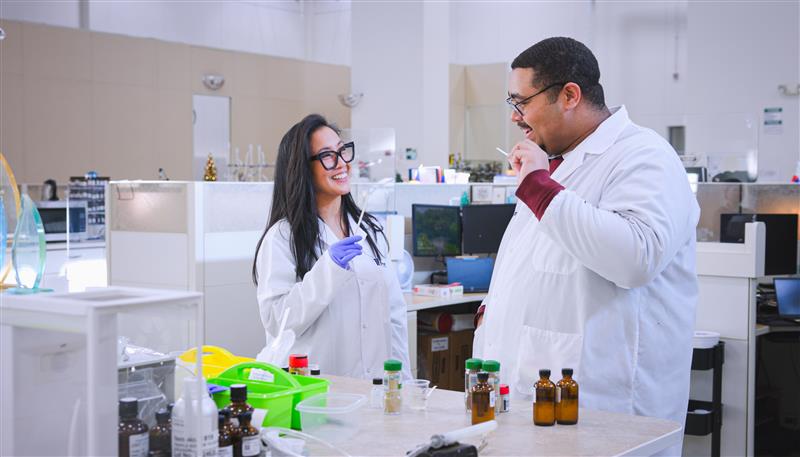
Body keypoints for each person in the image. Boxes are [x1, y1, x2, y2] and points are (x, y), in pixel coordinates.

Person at [473, 37, 699, 452]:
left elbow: (636, 257)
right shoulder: (557, 166)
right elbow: (538, 261)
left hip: (606, 407)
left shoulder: (645, 156)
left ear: (569, 95)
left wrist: (539, 188)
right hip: (535, 403)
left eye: (521, 102)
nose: (516, 118)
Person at [253, 114, 412, 380]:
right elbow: (277, 321)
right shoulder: (282, 237)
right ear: (302, 168)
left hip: (374, 387)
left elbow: (393, 314)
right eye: (328, 156)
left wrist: (402, 381)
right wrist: (328, 270)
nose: (342, 164)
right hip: (317, 390)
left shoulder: (370, 230)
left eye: (342, 151)